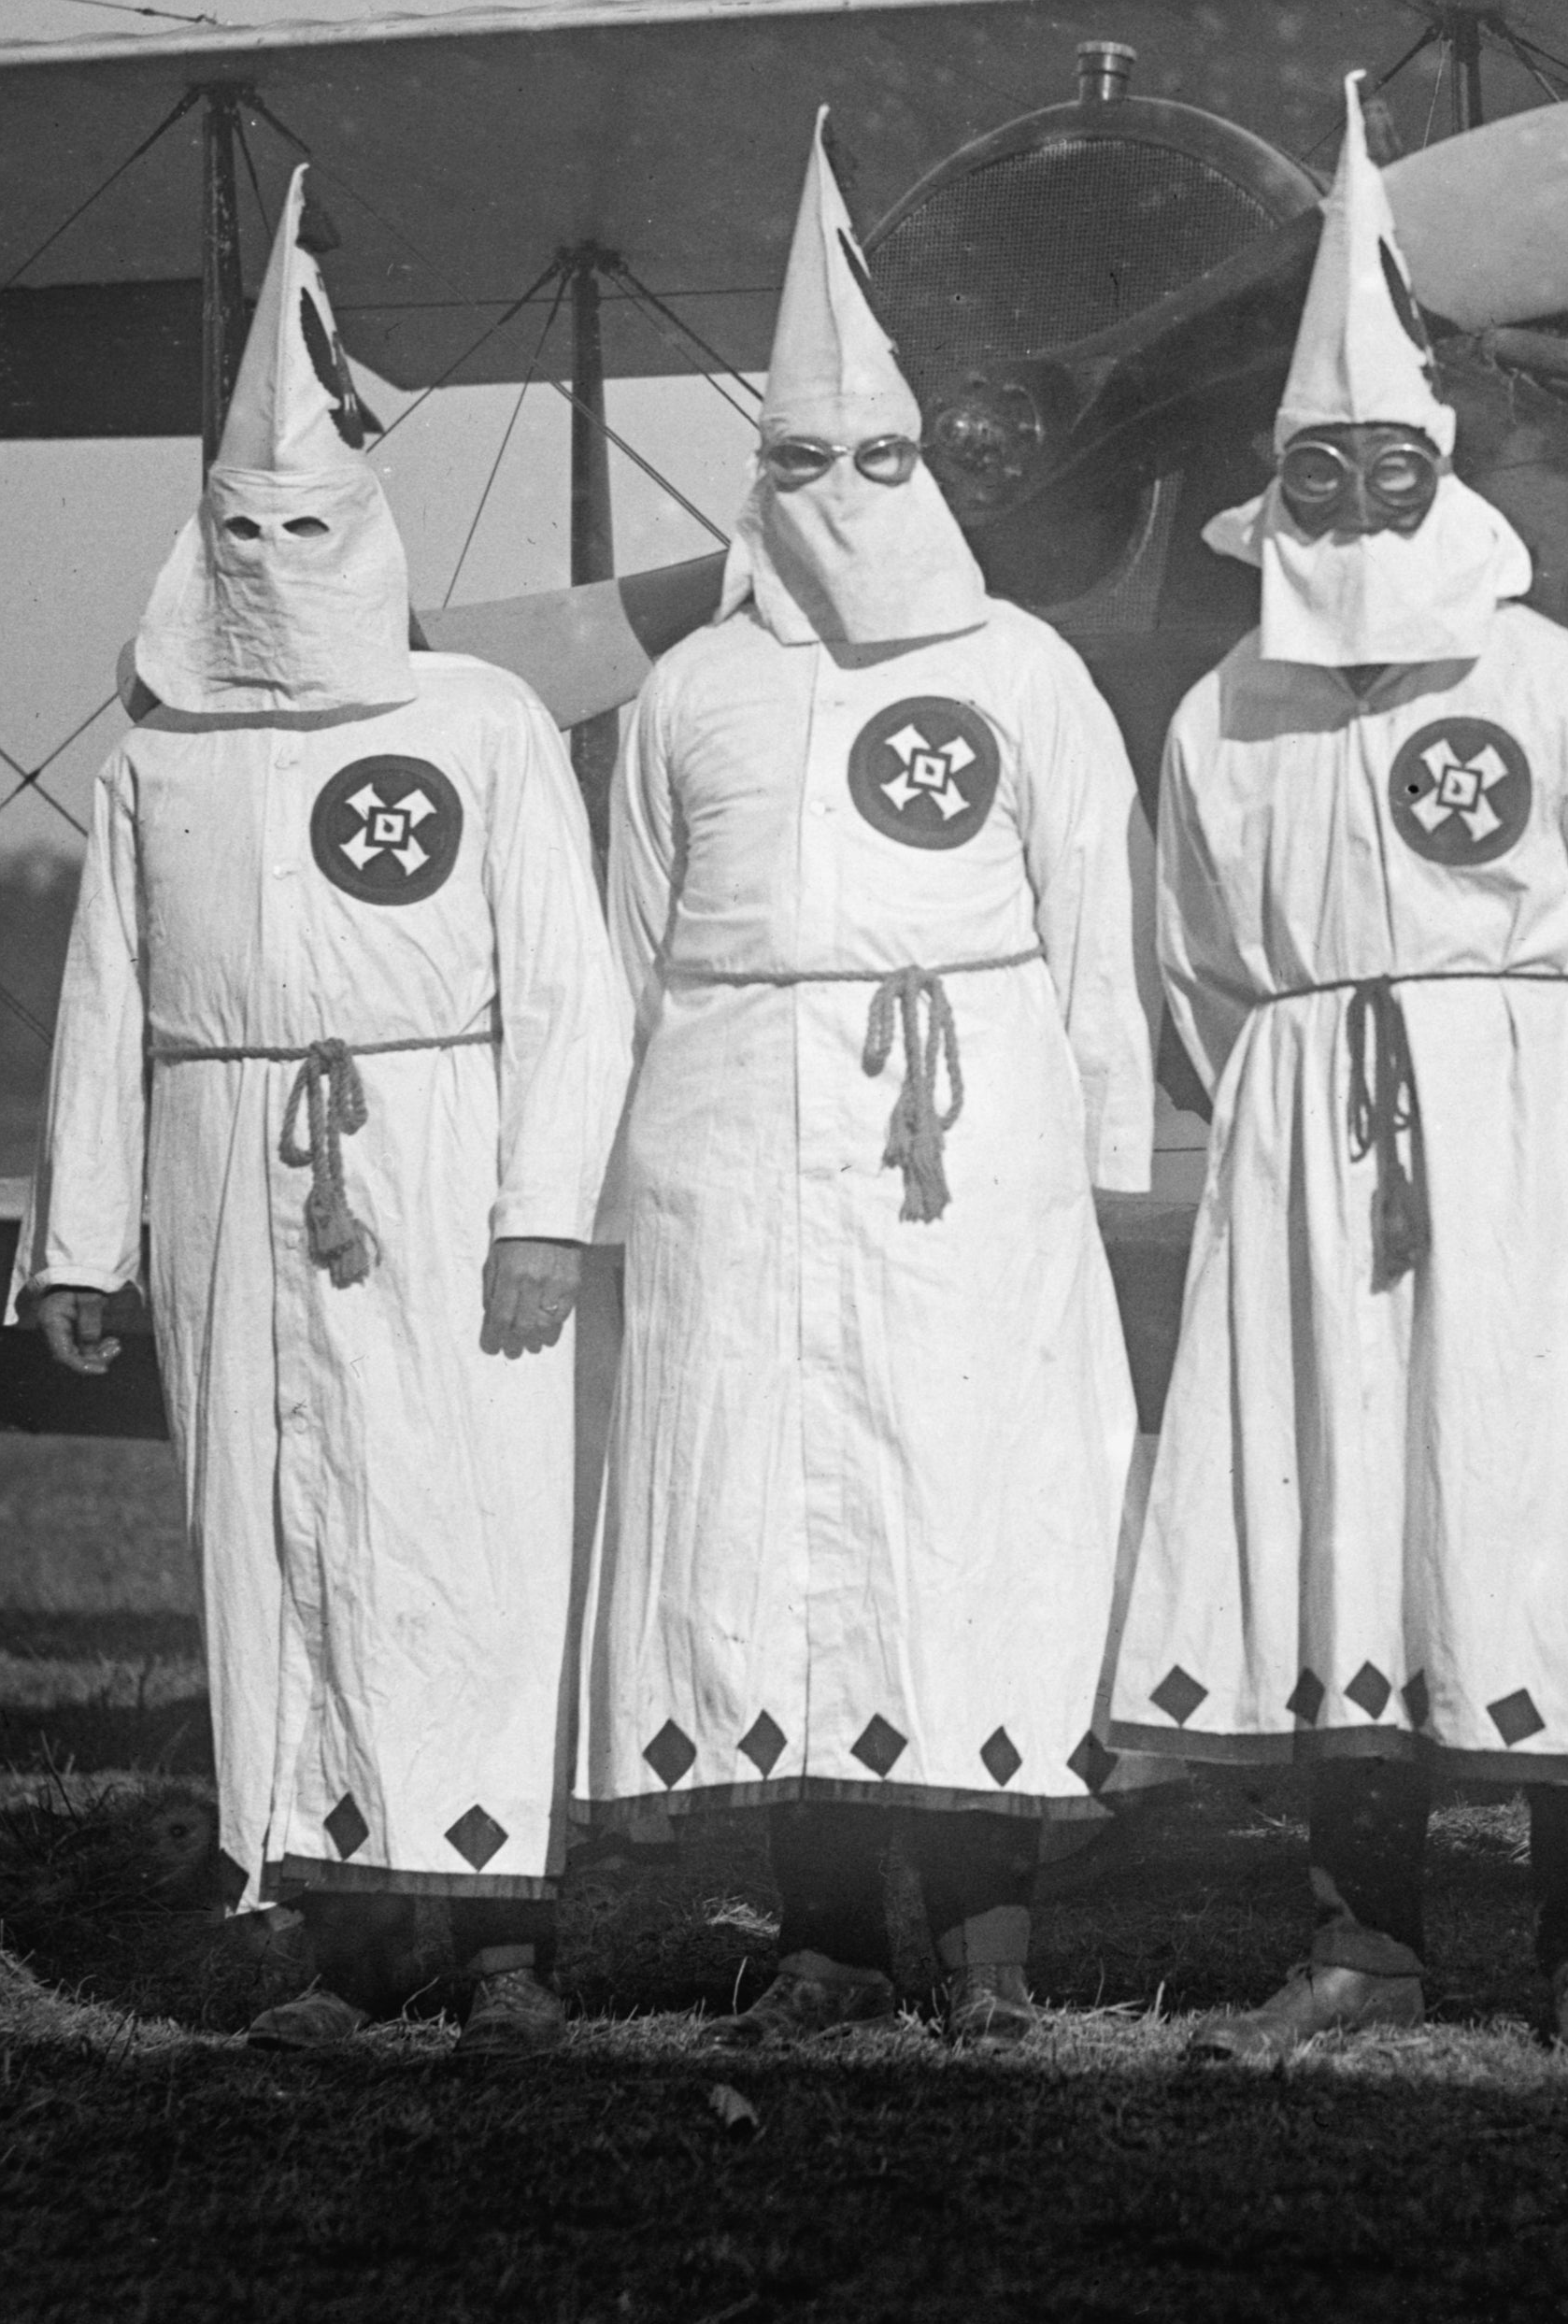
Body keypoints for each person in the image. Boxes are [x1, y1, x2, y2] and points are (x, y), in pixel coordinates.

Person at [1106, 76, 1568, 2060]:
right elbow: (1197, 960)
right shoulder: (1221, 715)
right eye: (1315, 473)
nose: (1348, 509)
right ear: (1273, 478)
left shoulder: (1561, 696)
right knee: (1335, 1511)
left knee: (1530, 1516)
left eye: (1382, 468)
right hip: (1300, 1147)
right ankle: (1363, 1941)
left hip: (1523, 1137)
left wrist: (1567, 1147)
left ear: (1435, 467)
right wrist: (1294, 1091)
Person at [17, 169, 632, 2057]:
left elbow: (569, 988)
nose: (276, 551)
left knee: (470, 1524)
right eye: (243, 526)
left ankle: (505, 1932)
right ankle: (335, 1931)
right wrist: (82, 1239)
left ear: (365, 531)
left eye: (311, 521)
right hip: (223, 1172)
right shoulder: (157, 763)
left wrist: (542, 1216)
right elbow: (104, 1005)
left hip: (440, 1169)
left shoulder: (475, 729)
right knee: (277, 1530)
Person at [579, 115, 1150, 2045]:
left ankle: (984, 1949)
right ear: (759, 478)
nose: (838, 495)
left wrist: (1087, 1162)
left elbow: (1095, 929)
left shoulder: (1022, 674)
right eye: (800, 462)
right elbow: (632, 940)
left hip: (959, 1142)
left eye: (875, 462)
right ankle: (822, 1940)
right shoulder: (691, 693)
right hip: (738, 1131)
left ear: (927, 467)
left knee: (954, 1504)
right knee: (770, 1518)